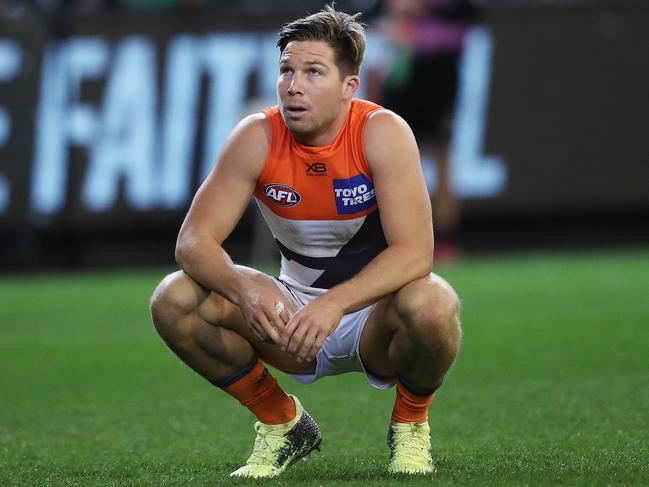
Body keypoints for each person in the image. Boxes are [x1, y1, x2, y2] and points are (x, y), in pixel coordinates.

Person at [150, 4, 461, 478]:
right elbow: (193, 241)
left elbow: (416, 252)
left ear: (348, 87)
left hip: (373, 315)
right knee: (173, 298)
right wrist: (242, 287)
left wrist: (335, 304)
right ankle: (283, 423)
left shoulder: (382, 132)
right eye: (286, 70)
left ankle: (410, 425)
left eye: (313, 72)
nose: (293, 85)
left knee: (434, 305)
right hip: (289, 314)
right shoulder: (257, 135)